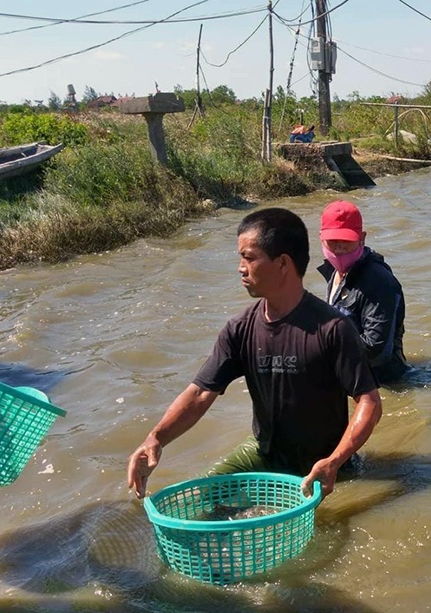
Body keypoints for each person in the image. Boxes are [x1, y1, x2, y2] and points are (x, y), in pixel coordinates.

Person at [127, 208, 382, 499]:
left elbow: (370, 403)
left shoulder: (333, 328)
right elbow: (200, 394)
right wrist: (156, 438)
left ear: (283, 263)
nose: (240, 267)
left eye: (249, 257)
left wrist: (336, 460)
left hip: (327, 467)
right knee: (202, 499)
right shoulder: (240, 328)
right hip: (264, 454)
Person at [316, 200, 409, 385]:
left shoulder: (379, 281)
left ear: (362, 238)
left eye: (346, 241)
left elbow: (375, 346)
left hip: (382, 382)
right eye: (333, 241)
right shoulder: (336, 271)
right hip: (351, 374)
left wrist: (319, 345)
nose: (339, 248)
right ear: (321, 239)